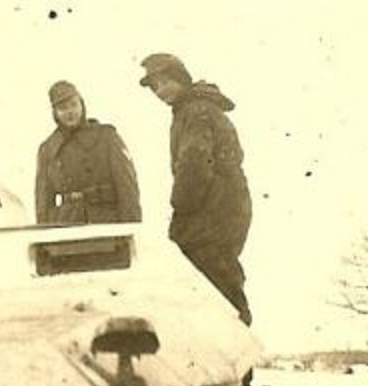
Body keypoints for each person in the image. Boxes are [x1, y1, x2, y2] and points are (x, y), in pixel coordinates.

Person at [138, 53, 253, 327]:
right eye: (155, 87)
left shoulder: (194, 111)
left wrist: (181, 209)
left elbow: (194, 164)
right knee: (220, 277)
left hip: (213, 208)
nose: (160, 91)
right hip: (225, 204)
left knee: (214, 283)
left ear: (180, 78)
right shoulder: (195, 108)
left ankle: (236, 356)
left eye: (165, 82)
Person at [35, 80, 142, 226]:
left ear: (82, 104)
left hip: (107, 221)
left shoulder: (106, 136)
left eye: (74, 104)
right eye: (63, 108)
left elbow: (127, 187)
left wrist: (132, 228)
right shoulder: (48, 149)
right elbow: (43, 201)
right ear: (55, 113)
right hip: (67, 224)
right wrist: (44, 238)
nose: (70, 112)